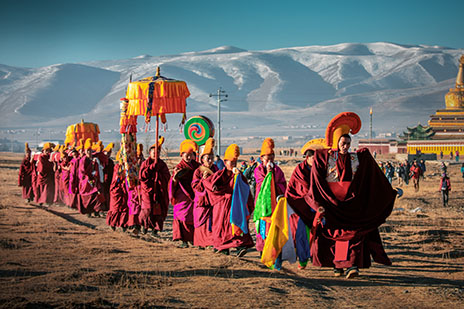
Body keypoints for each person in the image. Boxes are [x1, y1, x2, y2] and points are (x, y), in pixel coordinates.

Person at [306, 112, 396, 279]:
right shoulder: (324, 158)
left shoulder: (357, 158)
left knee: (352, 234)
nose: (345, 146)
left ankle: (351, 265)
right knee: (336, 235)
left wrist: (390, 191)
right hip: (332, 203)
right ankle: (338, 265)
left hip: (352, 204)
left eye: (348, 143)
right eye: (343, 143)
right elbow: (316, 181)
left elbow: (372, 173)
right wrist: (319, 202)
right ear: (336, 142)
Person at [203, 144, 255, 256]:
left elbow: (245, 190)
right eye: (230, 162)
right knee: (222, 228)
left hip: (235, 206)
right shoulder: (219, 174)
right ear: (225, 162)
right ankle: (223, 248)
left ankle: (239, 248)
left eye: (234, 162)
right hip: (222, 207)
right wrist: (214, 188)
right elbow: (208, 183)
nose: (232, 165)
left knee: (236, 226)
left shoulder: (239, 175)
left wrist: (238, 178)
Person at [285, 139, 326, 269]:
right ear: (307, 157)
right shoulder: (300, 170)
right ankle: (302, 260)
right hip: (301, 206)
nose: (316, 161)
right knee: (302, 233)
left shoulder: (320, 169)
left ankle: (320, 257)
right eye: (314, 158)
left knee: (322, 232)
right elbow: (305, 190)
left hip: (317, 205)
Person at [253, 138, 287, 256]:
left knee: (274, 227)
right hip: (262, 204)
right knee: (262, 226)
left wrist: (278, 187)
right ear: (262, 158)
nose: (269, 159)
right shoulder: (258, 170)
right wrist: (269, 174)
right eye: (267, 156)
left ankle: (273, 250)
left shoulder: (278, 171)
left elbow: (283, 184)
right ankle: (263, 250)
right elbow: (262, 184)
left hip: (275, 204)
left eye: (272, 156)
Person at [169, 139, 201, 248]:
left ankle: (192, 239)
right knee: (182, 217)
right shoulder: (179, 167)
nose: (188, 157)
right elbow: (173, 182)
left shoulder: (197, 166)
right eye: (186, 155)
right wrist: (174, 178)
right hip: (182, 196)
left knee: (193, 218)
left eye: (190, 155)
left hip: (194, 196)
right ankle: (183, 240)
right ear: (181, 155)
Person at [139, 137, 170, 236]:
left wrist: (160, 177)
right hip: (148, 190)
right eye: (153, 152)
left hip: (159, 191)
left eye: (157, 153)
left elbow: (167, 177)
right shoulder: (145, 163)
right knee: (147, 209)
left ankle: (155, 229)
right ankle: (144, 226)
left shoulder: (162, 164)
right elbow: (142, 177)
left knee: (158, 211)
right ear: (150, 153)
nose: (155, 154)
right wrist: (151, 168)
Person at [192, 138, 218, 249]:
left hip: (213, 201)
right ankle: (200, 243)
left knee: (212, 223)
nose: (210, 161)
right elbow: (195, 186)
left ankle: (210, 242)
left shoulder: (216, 169)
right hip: (202, 201)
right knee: (201, 222)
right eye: (208, 158)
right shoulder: (198, 171)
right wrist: (203, 181)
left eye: (212, 158)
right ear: (202, 159)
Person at [78, 138, 105, 217]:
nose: (89, 152)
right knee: (88, 197)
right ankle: (89, 211)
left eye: (90, 151)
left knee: (97, 195)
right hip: (86, 181)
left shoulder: (94, 159)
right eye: (88, 151)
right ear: (85, 151)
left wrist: (95, 175)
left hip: (94, 180)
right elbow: (82, 172)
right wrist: (88, 178)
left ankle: (98, 210)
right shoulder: (83, 160)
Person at [106, 149, 129, 231]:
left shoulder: (128, 167)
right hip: (117, 189)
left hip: (125, 189)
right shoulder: (117, 167)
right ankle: (113, 223)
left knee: (124, 207)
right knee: (115, 207)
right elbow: (115, 179)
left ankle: (124, 224)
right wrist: (120, 177)